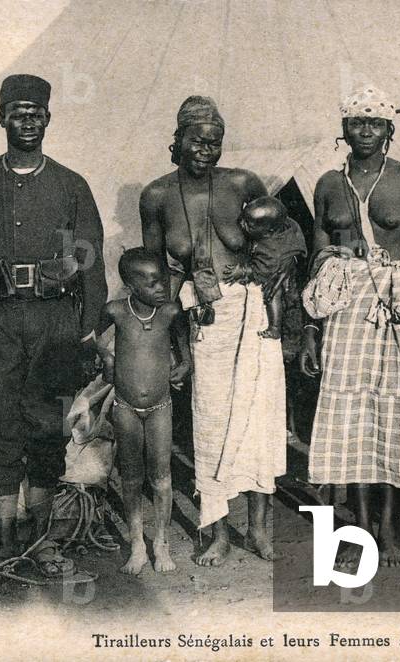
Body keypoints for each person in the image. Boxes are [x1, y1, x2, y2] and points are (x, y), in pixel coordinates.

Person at [0, 74, 107, 576]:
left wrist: (86, 332)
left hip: (53, 321)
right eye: (18, 111)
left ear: (48, 119)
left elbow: (92, 263)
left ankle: (39, 540)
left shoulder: (70, 185)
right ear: (1, 119)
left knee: (47, 430)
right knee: (0, 429)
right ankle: (3, 540)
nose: (27, 120)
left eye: (36, 112)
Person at [140, 96, 287, 566]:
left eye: (215, 141)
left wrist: (272, 293)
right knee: (210, 423)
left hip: (254, 312)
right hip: (201, 316)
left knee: (259, 420)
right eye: (197, 139)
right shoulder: (158, 196)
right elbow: (157, 275)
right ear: (177, 141)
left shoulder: (243, 183)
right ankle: (216, 530)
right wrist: (173, 340)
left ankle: (259, 527)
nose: (206, 148)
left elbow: (281, 244)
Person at [300, 85, 400, 567]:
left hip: (395, 300)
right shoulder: (327, 185)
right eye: (357, 121)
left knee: (391, 415)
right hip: (342, 304)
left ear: (389, 130)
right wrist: (311, 329)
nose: (365, 131)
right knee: (349, 418)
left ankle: (389, 528)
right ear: (344, 128)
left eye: (374, 123)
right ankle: (357, 527)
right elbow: (317, 257)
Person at [98, 248, 191, 574]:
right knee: (132, 477)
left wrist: (183, 366)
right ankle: (137, 542)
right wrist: (107, 358)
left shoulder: (170, 313)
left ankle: (161, 542)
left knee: (161, 476)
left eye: (163, 280)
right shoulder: (115, 312)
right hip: (125, 408)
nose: (161, 288)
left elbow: (184, 350)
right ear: (131, 285)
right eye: (151, 283)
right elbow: (91, 338)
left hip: (160, 407)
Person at [223, 195, 307, 339]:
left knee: (273, 294)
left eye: (249, 225)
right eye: (243, 218)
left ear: (268, 232)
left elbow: (261, 270)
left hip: (276, 272)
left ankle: (274, 328)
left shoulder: (270, 249)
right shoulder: (283, 224)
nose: (242, 224)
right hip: (282, 262)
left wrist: (243, 271)